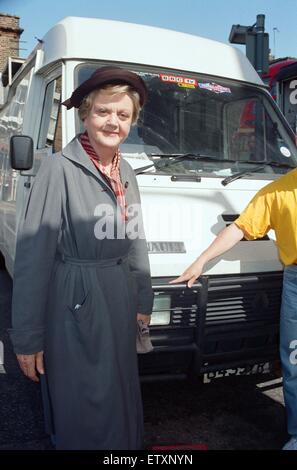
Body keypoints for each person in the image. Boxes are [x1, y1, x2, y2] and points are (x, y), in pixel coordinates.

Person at [9, 66, 154, 450]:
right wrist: (27, 337)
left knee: (120, 393)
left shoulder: (126, 171)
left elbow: (135, 236)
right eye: (104, 111)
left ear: (132, 122)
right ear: (85, 114)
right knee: (85, 401)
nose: (113, 121)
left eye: (123, 115)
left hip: (119, 299)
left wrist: (143, 299)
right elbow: (32, 258)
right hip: (76, 304)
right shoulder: (59, 169)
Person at [171, 168, 297, 451]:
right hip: (295, 281)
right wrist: (201, 261)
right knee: (294, 360)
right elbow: (240, 228)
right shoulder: (278, 191)